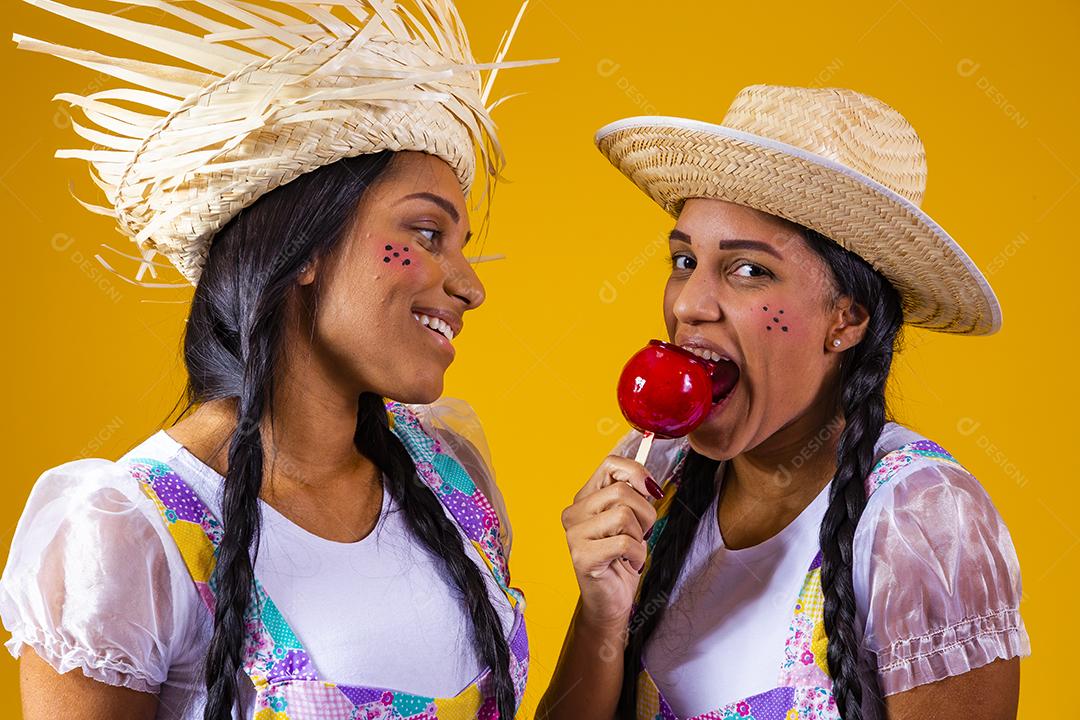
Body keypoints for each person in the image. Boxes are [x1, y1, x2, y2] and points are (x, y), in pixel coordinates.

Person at [0, 1, 549, 718]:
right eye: (425, 232)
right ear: (305, 249)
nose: (471, 285)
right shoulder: (126, 535)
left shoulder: (449, 474)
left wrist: (605, 610)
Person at [540, 84, 1029, 720]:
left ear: (846, 319)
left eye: (749, 270)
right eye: (685, 259)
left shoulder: (924, 521)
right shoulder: (654, 479)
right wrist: (600, 618)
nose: (688, 304)